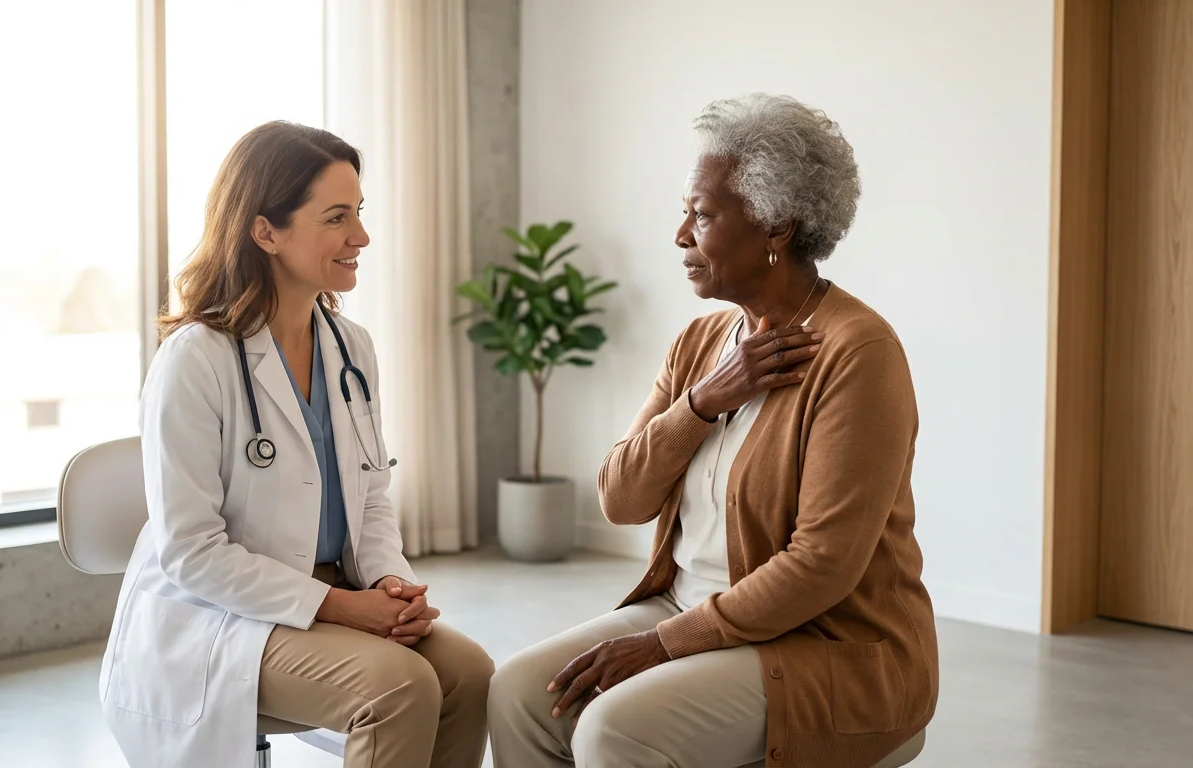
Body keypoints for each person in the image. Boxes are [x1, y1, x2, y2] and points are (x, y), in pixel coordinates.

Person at [488, 94, 938, 768]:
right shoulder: (700, 343)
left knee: (613, 728)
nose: (679, 236)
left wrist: (664, 645)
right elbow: (621, 499)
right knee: (520, 692)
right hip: (684, 606)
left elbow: (822, 566)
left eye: (701, 216)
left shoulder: (857, 353)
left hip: (824, 645)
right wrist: (702, 401)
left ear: (775, 227)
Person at [99, 121, 494, 768]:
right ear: (265, 232)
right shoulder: (196, 360)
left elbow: (370, 498)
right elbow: (192, 555)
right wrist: (344, 607)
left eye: (359, 214)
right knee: (398, 688)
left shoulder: (351, 347)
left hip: (335, 593)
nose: (360, 237)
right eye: (336, 218)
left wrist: (392, 588)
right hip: (218, 618)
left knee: (470, 674)